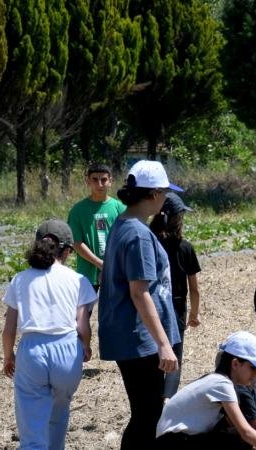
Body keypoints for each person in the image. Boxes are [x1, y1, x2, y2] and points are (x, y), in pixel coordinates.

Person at [98, 160, 183, 448]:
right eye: (165, 193)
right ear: (154, 194)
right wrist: (163, 344)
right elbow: (139, 292)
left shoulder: (123, 225)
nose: (166, 199)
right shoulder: (137, 234)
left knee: (145, 414)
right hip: (140, 340)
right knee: (148, 415)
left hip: (131, 337)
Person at [1, 219, 97, 450]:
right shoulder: (78, 280)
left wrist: (8, 356)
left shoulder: (20, 279)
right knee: (59, 411)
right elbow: (82, 325)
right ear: (66, 251)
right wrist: (85, 346)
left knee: (32, 425)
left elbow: (9, 329)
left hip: (32, 350)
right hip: (67, 351)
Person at [156, 331, 256, 449]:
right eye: (253, 368)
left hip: (178, 439)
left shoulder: (217, 381)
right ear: (236, 364)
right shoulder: (222, 384)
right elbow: (246, 432)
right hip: (173, 441)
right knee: (239, 438)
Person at [149, 192, 202, 399]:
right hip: (176, 307)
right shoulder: (185, 248)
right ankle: (168, 399)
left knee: (154, 352)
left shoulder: (150, 243)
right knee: (175, 355)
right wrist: (194, 314)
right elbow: (195, 288)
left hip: (152, 305)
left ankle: (153, 397)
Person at [67, 163, 126, 290]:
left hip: (115, 270)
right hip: (87, 272)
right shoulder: (78, 210)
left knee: (114, 309)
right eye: (95, 179)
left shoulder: (120, 208)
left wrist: (111, 265)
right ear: (87, 181)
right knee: (83, 310)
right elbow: (77, 242)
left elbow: (125, 239)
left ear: (110, 181)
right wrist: (99, 263)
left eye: (104, 180)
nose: (99, 184)